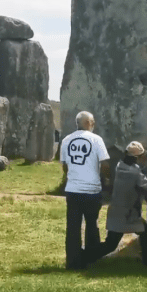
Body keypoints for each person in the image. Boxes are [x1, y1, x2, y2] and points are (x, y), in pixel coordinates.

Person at [88, 141, 147, 266]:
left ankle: (86, 256)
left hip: (116, 211)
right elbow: (146, 185)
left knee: (110, 244)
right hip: (128, 214)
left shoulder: (119, 166)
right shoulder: (133, 172)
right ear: (136, 158)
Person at [60, 111, 110, 270]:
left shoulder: (66, 140)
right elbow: (106, 164)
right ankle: (91, 258)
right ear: (89, 123)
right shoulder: (96, 140)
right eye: (93, 122)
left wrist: (73, 176)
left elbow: (65, 166)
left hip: (73, 190)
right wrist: (107, 179)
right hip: (92, 189)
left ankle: (73, 261)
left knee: (73, 227)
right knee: (91, 225)